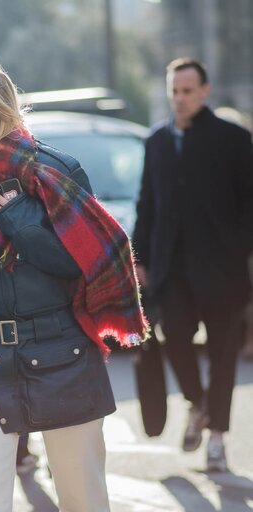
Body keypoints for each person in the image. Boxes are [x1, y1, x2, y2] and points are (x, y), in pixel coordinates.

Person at [0, 61, 147, 512]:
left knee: (83, 499)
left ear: (3, 118)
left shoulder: (54, 171)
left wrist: (21, 222)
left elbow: (85, 262)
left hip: (62, 352)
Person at [133, 57, 253, 472]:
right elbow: (147, 203)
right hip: (172, 270)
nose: (180, 99)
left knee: (223, 355)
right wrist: (140, 259)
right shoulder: (157, 142)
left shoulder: (233, 139)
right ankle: (197, 404)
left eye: (188, 91)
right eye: (174, 91)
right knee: (176, 338)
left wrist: (239, 250)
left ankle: (217, 438)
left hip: (223, 270)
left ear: (204, 91)